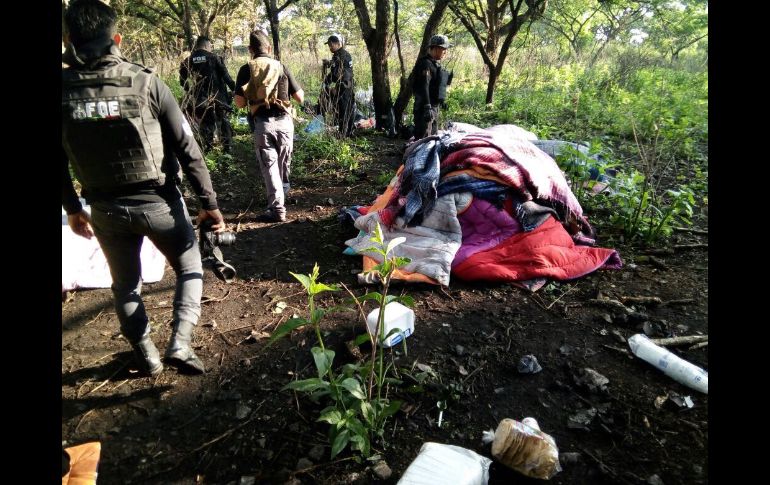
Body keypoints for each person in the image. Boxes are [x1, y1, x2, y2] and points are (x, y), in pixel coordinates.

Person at [62, 0, 225, 375]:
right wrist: (209, 204)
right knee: (190, 269)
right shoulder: (147, 82)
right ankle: (180, 343)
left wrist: (73, 208)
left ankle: (147, 355)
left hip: (105, 210)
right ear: (116, 39)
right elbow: (187, 147)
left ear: (69, 40)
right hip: (160, 204)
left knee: (126, 286)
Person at [234, 30, 304, 223]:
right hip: (285, 123)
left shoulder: (246, 69)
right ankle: (282, 195)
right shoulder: (281, 67)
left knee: (270, 167)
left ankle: (277, 208)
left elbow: (239, 103)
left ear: (250, 50)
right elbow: (300, 97)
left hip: (263, 124)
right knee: (283, 163)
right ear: (269, 48)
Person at [180, 36, 236, 153]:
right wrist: (235, 89)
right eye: (210, 46)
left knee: (206, 122)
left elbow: (183, 81)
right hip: (218, 97)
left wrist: (191, 91)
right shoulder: (215, 58)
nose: (211, 48)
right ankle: (227, 147)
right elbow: (226, 77)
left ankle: (208, 148)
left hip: (199, 99)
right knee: (223, 120)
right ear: (206, 45)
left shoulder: (187, 61)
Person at [412, 34, 453, 139]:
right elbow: (423, 86)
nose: (445, 52)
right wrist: (427, 107)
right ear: (435, 48)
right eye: (443, 49)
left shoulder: (435, 64)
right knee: (423, 139)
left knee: (432, 138)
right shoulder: (425, 64)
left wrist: (441, 101)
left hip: (433, 107)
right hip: (424, 109)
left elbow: (435, 86)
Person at [323, 34, 355, 138]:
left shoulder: (341, 55)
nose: (330, 47)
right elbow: (334, 69)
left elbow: (340, 74)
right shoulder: (340, 54)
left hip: (344, 87)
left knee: (344, 110)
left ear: (338, 44)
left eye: (331, 45)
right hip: (347, 86)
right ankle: (346, 133)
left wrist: (335, 87)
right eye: (329, 45)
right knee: (344, 110)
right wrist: (329, 63)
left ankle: (344, 134)